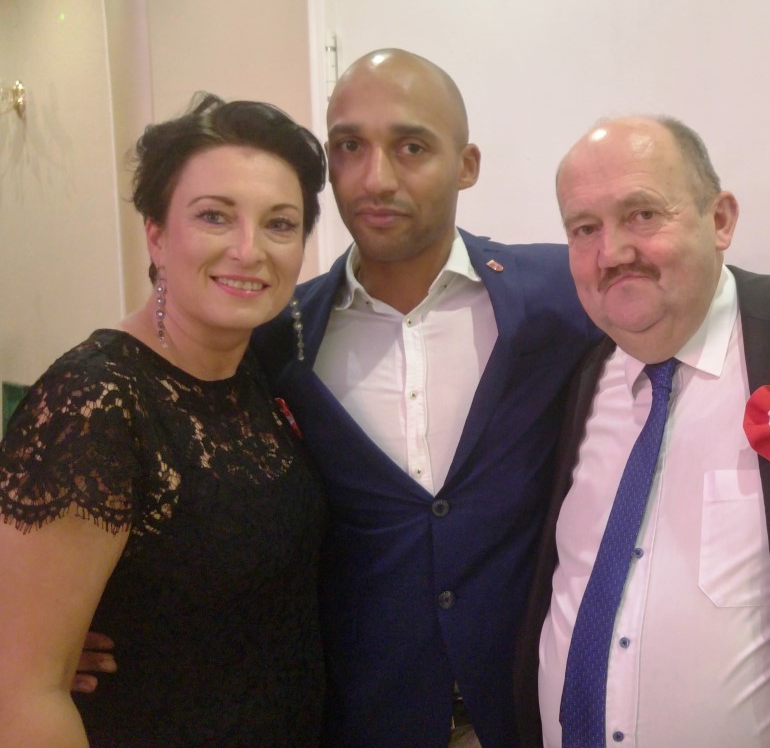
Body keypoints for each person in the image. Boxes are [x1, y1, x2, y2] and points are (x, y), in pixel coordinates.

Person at [248, 49, 599, 747]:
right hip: (366, 718)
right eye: (350, 147)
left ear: (467, 164)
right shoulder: (278, 336)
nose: (376, 178)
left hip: (529, 711)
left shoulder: (561, 293)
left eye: (411, 146)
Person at [0, 94, 328, 747]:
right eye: (214, 216)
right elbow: (24, 692)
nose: (249, 249)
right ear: (156, 234)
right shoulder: (94, 403)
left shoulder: (257, 368)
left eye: (280, 224)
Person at [514, 116, 770, 747]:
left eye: (643, 214)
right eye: (584, 228)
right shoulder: (577, 373)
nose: (612, 253)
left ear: (721, 219)